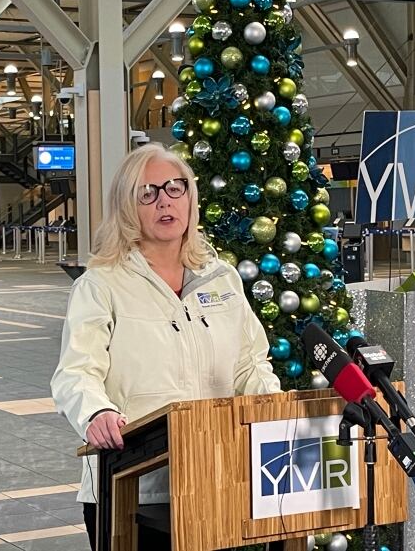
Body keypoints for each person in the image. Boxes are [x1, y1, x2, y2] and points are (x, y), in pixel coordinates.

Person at [50, 144, 281, 551]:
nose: (164, 201)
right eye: (148, 192)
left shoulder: (221, 278)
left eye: (175, 188)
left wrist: (274, 407)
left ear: (191, 197)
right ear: (127, 207)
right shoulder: (102, 284)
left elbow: (249, 364)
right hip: (133, 489)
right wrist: (96, 411)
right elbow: (76, 372)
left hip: (215, 480)